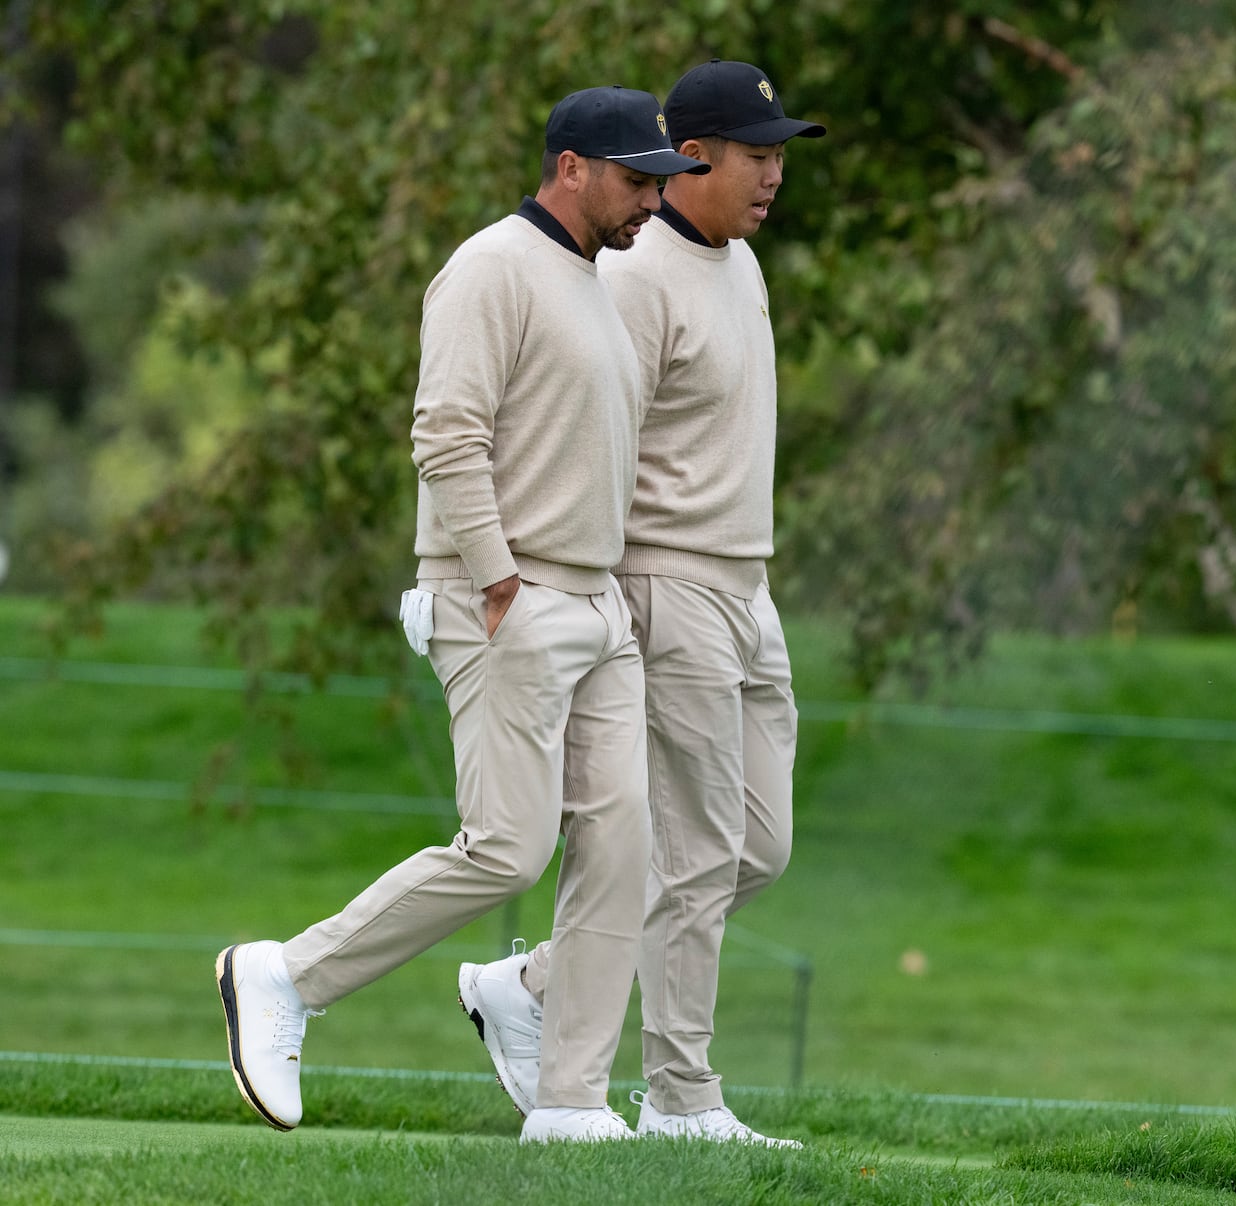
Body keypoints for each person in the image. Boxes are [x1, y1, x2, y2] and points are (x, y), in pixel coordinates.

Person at [215, 85, 710, 1145]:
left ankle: (573, 1101)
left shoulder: (598, 281)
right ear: (570, 167)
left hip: (596, 604)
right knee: (507, 849)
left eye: (660, 183)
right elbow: (446, 433)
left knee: (625, 850)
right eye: (636, 180)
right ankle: (287, 976)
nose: (649, 202)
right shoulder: (490, 267)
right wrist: (493, 578)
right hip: (509, 598)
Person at [454, 59, 823, 1148]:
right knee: (700, 852)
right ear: (692, 156)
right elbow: (582, 441)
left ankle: (532, 982)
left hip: (748, 589)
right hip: (666, 585)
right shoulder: (635, 275)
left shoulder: (740, 263)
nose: (773, 178)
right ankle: (679, 1097)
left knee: (756, 846)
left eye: (779, 158)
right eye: (757, 156)